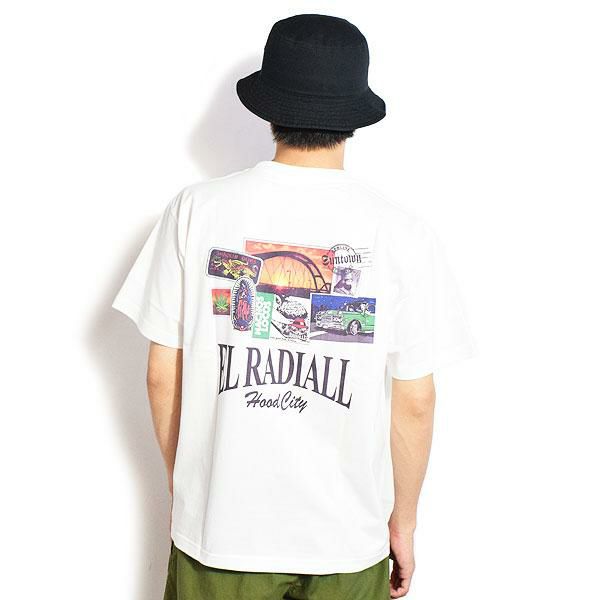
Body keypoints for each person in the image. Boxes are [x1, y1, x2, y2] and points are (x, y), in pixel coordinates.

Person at [112, 13, 474, 600]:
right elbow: (415, 401)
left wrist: (191, 490)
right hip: (347, 540)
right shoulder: (401, 233)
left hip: (221, 533)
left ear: (268, 108)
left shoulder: (196, 211)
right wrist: (403, 525)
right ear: (354, 117)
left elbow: (162, 374)